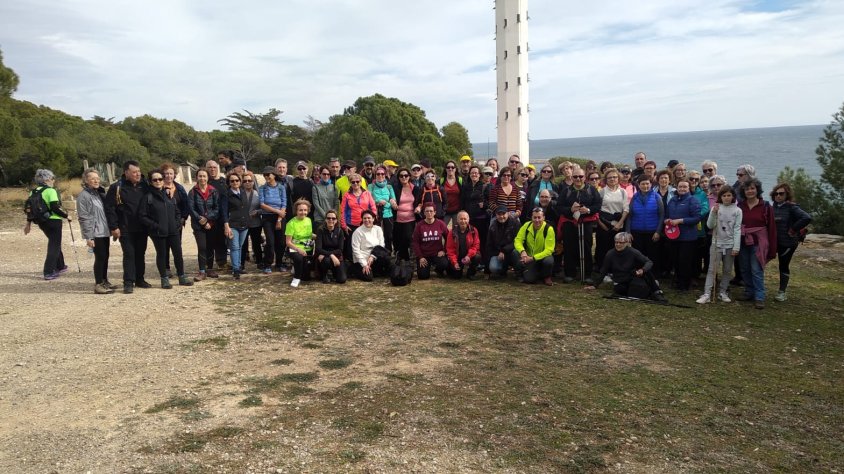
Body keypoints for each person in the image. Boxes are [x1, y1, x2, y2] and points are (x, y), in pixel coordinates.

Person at [140, 169, 192, 288]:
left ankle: (182, 276)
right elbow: (142, 216)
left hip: (173, 230)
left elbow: (176, 210)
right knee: (162, 255)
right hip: (158, 232)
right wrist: (155, 226)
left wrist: (177, 223)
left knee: (178, 254)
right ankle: (164, 279)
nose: (158, 181)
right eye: (155, 179)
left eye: (160, 179)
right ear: (150, 181)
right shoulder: (148, 197)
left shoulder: (168, 194)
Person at [105, 160, 151, 293]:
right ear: (126, 173)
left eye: (139, 171)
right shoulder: (117, 187)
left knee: (140, 254)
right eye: (134, 172)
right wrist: (113, 227)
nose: (138, 174)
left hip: (142, 227)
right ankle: (128, 282)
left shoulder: (145, 185)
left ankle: (140, 279)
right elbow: (110, 208)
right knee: (129, 254)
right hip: (125, 228)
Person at [585, 232, 667, 301]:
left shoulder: (633, 252)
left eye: (621, 243)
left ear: (627, 243)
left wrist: (642, 270)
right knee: (621, 290)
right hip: (620, 280)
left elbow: (649, 262)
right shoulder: (610, 254)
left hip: (632, 276)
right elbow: (604, 270)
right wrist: (595, 285)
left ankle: (657, 291)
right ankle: (646, 292)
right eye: (616, 242)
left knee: (647, 273)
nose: (618, 244)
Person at [556, 166, 602, 284]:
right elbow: (559, 207)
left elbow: (598, 205)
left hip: (586, 223)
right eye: (575, 176)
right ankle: (569, 273)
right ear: (572, 177)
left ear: (584, 177)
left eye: (580, 176)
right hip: (569, 222)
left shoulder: (591, 189)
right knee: (569, 247)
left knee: (587, 247)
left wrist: (588, 210)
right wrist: (570, 210)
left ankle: (587, 274)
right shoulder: (566, 191)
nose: (578, 179)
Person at [697, 185, 741, 304]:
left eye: (729, 195)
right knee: (712, 269)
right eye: (724, 195)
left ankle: (723, 291)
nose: (726, 198)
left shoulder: (737, 210)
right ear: (721, 197)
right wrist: (714, 213)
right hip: (716, 243)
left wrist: (736, 246)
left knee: (727, 269)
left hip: (730, 244)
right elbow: (710, 225)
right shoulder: (716, 208)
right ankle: (707, 293)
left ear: (733, 197)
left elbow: (737, 229)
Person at [737, 179, 777, 309]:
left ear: (757, 190)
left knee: (756, 269)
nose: (750, 191)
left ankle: (759, 296)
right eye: (747, 189)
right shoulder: (740, 206)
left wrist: (772, 248)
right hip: (743, 240)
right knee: (744, 267)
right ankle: (749, 291)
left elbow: (771, 228)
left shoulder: (766, 206)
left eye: (752, 188)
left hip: (759, 242)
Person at [25, 168, 70, 280]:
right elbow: (55, 207)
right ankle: (48, 271)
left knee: (54, 242)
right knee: (54, 245)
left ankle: (60, 266)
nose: (53, 180)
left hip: (41, 222)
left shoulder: (33, 192)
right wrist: (66, 216)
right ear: (47, 179)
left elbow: (30, 209)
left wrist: (28, 223)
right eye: (52, 178)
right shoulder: (51, 191)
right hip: (54, 221)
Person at [76, 168, 115, 293]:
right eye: (92, 178)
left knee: (105, 256)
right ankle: (98, 284)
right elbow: (84, 217)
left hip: (104, 231)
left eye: (97, 178)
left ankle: (104, 281)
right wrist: (89, 236)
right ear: (86, 181)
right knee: (100, 257)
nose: (96, 180)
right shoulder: (83, 196)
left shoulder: (99, 192)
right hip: (95, 232)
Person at [770, 183, 810, 302]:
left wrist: (793, 230)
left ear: (787, 194)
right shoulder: (774, 206)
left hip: (787, 243)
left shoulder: (792, 207)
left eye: (781, 193)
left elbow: (807, 217)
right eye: (776, 193)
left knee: (783, 266)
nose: (778, 196)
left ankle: (782, 292)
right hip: (775, 241)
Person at [665, 179, 702, 291]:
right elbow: (666, 215)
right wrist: (666, 220)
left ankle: (684, 285)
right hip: (673, 236)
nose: (682, 189)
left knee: (684, 261)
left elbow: (696, 218)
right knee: (675, 259)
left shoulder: (693, 200)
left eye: (685, 187)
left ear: (689, 188)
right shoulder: (672, 200)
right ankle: (677, 281)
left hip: (687, 237)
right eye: (680, 187)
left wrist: (680, 221)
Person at [188, 168, 222, 281]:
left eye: (204, 176)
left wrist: (207, 219)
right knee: (202, 247)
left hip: (212, 224)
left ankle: (210, 269)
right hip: (198, 225)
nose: (202, 178)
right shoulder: (193, 192)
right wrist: (201, 220)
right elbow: (191, 209)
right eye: (200, 176)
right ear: (197, 177)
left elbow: (217, 208)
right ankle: (202, 271)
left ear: (208, 178)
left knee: (210, 246)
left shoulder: (213, 191)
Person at [627, 175, 664, 273]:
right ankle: (639, 275)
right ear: (638, 185)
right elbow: (629, 215)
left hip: (652, 232)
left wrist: (658, 232)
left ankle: (653, 276)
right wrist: (628, 231)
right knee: (638, 255)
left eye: (647, 183)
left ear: (651, 184)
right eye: (643, 184)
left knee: (653, 255)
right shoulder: (634, 197)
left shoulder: (657, 196)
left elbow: (661, 215)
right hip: (636, 232)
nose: (645, 186)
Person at [595, 168, 629, 269]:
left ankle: (616, 269)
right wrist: (601, 224)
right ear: (606, 179)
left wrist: (620, 224)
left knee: (617, 248)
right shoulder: (602, 192)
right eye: (610, 177)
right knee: (603, 248)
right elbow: (596, 210)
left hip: (618, 224)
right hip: (604, 224)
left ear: (618, 178)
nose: (612, 179)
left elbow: (626, 209)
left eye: (615, 177)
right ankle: (603, 269)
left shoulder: (623, 192)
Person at [513, 207, 556, 285]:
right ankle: (520, 273)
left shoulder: (549, 229)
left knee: (549, 260)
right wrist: (522, 251)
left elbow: (549, 250)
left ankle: (546, 276)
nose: (537, 220)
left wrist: (533, 258)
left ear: (544, 218)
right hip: (528, 257)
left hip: (541, 258)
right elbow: (517, 240)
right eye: (534, 217)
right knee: (515, 252)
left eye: (539, 217)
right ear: (531, 218)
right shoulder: (526, 225)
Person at [340, 173, 377, 259]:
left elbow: (373, 208)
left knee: (365, 247)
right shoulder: (347, 195)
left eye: (357, 181)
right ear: (350, 183)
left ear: (361, 182)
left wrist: (372, 221)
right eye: (353, 182)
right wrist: (344, 225)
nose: (355, 184)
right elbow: (342, 211)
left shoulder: (367, 193)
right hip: (351, 226)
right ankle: (352, 268)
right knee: (351, 249)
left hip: (365, 224)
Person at [221, 170, 250, 279]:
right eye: (232, 181)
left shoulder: (243, 191)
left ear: (240, 181)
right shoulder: (226, 194)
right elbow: (224, 211)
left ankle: (238, 266)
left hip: (244, 224)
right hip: (233, 224)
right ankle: (235, 269)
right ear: (229, 182)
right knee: (234, 247)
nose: (235, 182)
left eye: (237, 180)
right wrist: (226, 225)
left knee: (240, 246)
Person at [258, 166, 287, 274]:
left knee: (281, 242)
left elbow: (284, 203)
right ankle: (268, 264)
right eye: (264, 175)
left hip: (280, 217)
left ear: (274, 175)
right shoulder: (262, 188)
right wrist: (277, 211)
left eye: (268, 174)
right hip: (267, 217)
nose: (266, 177)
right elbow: (262, 204)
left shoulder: (281, 187)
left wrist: (279, 218)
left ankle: (279, 263)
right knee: (270, 242)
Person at [351, 210, 392, 281]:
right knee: (368, 278)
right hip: (362, 258)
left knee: (387, 258)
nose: (367, 220)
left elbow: (381, 245)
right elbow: (355, 250)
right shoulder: (357, 232)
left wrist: (372, 256)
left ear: (373, 219)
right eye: (364, 218)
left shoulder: (378, 229)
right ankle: (356, 270)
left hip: (375, 257)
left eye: (369, 218)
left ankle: (377, 271)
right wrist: (364, 265)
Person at [411, 204, 449, 279]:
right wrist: (420, 257)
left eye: (431, 211)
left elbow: (448, 238)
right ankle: (425, 268)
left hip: (437, 254)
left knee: (444, 264)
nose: (429, 213)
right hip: (424, 255)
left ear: (435, 212)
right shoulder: (419, 225)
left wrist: (444, 250)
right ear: (424, 213)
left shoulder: (440, 224)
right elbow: (415, 242)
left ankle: (438, 270)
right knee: (423, 276)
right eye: (427, 211)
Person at [461, 165, 490, 264]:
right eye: (472, 173)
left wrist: (484, 205)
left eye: (476, 173)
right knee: (470, 241)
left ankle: (483, 262)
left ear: (479, 175)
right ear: (469, 175)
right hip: (469, 219)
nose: (474, 174)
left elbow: (490, 201)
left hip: (481, 218)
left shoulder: (484, 186)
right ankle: (471, 261)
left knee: (482, 240)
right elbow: (463, 201)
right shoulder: (466, 187)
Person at [204, 159, 228, 272]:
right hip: (208, 217)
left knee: (221, 241)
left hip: (222, 217)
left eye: (214, 167)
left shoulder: (224, 182)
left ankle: (222, 263)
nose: (212, 169)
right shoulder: (204, 182)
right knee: (209, 242)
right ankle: (208, 265)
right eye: (210, 167)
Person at [392, 167, 421, 261]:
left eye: (406, 175)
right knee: (398, 240)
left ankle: (406, 259)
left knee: (407, 238)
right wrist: (392, 201)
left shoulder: (415, 188)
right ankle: (401, 259)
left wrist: (419, 207)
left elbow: (420, 201)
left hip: (410, 218)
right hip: (397, 219)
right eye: (401, 176)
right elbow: (390, 197)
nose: (404, 177)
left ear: (409, 176)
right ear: (398, 177)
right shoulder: (395, 188)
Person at [285, 199, 315, 288]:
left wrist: (320, 236)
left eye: (305, 210)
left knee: (306, 278)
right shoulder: (291, 223)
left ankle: (297, 268)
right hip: (294, 248)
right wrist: (299, 250)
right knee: (299, 258)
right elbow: (288, 242)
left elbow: (310, 234)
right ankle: (296, 278)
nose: (303, 212)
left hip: (308, 248)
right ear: (296, 211)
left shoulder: (309, 220)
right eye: (300, 210)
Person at [688, 170, 711, 277]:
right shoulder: (683, 190)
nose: (693, 181)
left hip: (698, 227)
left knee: (697, 253)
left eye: (696, 179)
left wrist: (695, 218)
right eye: (691, 178)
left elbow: (705, 208)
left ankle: (696, 274)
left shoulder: (702, 194)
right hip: (684, 227)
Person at [486, 206, 521, 278]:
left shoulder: (516, 224)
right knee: (494, 268)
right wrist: (487, 270)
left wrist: (504, 251)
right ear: (496, 215)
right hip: (498, 253)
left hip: (511, 251)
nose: (501, 216)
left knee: (516, 252)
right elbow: (489, 245)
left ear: (508, 213)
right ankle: (502, 271)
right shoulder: (492, 226)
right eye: (499, 214)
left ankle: (519, 272)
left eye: (503, 214)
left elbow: (518, 241)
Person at [370, 165, 398, 254]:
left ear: (385, 175)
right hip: (376, 214)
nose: (380, 176)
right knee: (377, 236)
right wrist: (378, 201)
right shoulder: (371, 186)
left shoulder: (389, 187)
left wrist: (386, 203)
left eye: (382, 174)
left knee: (388, 236)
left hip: (388, 214)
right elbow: (369, 200)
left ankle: (389, 253)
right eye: (378, 174)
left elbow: (393, 201)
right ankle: (377, 254)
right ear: (375, 175)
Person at [446, 211, 481, 279]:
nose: (463, 221)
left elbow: (476, 246)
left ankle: (471, 273)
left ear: (468, 220)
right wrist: (455, 262)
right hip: (457, 257)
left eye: (465, 219)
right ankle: (456, 269)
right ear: (457, 220)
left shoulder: (473, 230)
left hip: (469, 256)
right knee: (456, 277)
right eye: (461, 219)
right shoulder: (452, 232)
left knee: (477, 257)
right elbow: (450, 249)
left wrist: (468, 256)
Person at [315, 209, 347, 284]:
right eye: (328, 218)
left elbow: (340, 249)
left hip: (337, 256)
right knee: (326, 260)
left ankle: (334, 273)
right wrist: (332, 255)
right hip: (324, 257)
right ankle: (324, 275)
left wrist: (333, 255)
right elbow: (318, 249)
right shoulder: (320, 230)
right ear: (325, 219)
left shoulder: (340, 231)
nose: (331, 220)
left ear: (336, 220)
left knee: (342, 280)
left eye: (333, 218)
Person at [241, 170, 263, 271]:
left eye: (249, 180)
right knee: (243, 244)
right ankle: (241, 264)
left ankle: (259, 261)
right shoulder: (239, 194)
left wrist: (257, 212)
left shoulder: (258, 194)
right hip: (243, 223)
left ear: (253, 182)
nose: (247, 182)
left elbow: (264, 208)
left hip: (256, 223)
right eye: (245, 181)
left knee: (256, 243)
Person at [440, 160, 463, 227]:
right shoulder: (441, 181)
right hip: (445, 211)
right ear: (445, 169)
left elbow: (463, 195)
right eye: (448, 167)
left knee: (456, 231)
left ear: (455, 169)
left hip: (457, 211)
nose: (450, 169)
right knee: (442, 230)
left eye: (452, 167)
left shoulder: (460, 180)